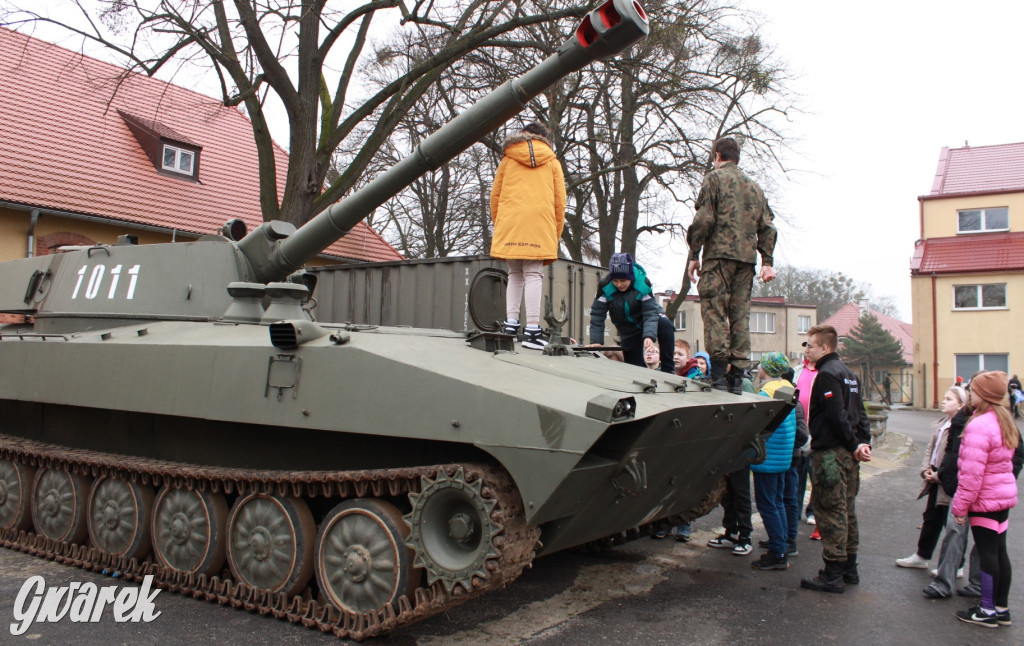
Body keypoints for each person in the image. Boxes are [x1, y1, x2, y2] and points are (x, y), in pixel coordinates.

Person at [686, 136, 777, 394]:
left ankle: (716, 378)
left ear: (717, 155)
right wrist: (767, 261)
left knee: (714, 312)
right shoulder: (755, 188)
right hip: (746, 262)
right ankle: (737, 379)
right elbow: (768, 227)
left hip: (718, 257)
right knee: (740, 316)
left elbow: (704, 219)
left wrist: (694, 253)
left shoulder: (713, 179)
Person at [800, 325, 872, 593]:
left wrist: (854, 443)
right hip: (849, 453)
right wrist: (863, 442)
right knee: (847, 509)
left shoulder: (828, 375)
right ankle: (849, 569)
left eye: (810, 345)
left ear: (824, 348)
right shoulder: (849, 374)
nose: (806, 350)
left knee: (830, 511)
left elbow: (836, 415)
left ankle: (832, 573)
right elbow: (860, 412)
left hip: (831, 453)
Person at [490, 121, 566, 350]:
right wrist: (555, 232)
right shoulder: (552, 162)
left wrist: (501, 223)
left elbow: (495, 196)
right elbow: (559, 202)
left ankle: (511, 325)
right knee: (533, 273)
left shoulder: (507, 159)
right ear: (545, 139)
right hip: (540, 221)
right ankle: (532, 329)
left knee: (514, 273)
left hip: (511, 221)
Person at [951, 371, 1018, 628]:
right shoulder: (1004, 421)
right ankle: (1001, 607)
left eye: (973, 390)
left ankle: (987, 610)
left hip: (985, 500)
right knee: (999, 551)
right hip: (1002, 497)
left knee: (988, 553)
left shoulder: (979, 425)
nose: (970, 393)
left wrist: (960, 507)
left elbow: (971, 475)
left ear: (983, 395)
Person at [897, 386, 967, 571]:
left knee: (950, 522)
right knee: (931, 518)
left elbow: (956, 455)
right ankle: (922, 555)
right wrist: (926, 469)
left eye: (949, 399)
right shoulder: (943, 423)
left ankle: (956, 565)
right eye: (944, 398)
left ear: (961, 405)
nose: (944, 401)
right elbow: (931, 448)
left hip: (948, 478)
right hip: (935, 474)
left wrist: (941, 474)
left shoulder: (961, 427)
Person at [749, 352, 799, 570]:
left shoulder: (766, 393)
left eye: (761, 365)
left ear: (765, 369)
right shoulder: (787, 388)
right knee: (777, 501)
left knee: (767, 505)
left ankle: (777, 553)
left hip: (768, 456)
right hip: (783, 456)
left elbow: (758, 424)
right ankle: (781, 542)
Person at [588, 253, 675, 374]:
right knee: (635, 369)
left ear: (630, 276)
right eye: (615, 281)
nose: (619, 284)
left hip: (647, 320)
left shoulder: (642, 283)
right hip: (628, 329)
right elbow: (597, 313)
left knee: (665, 324)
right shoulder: (605, 286)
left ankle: (668, 369)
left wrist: (649, 336)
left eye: (623, 280)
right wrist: (596, 341)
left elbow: (650, 312)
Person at [796, 355, 819, 532]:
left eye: (811, 346)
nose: (807, 351)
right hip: (800, 431)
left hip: (816, 433)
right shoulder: (798, 371)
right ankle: (794, 511)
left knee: (816, 476)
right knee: (798, 475)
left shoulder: (824, 373)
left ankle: (812, 511)